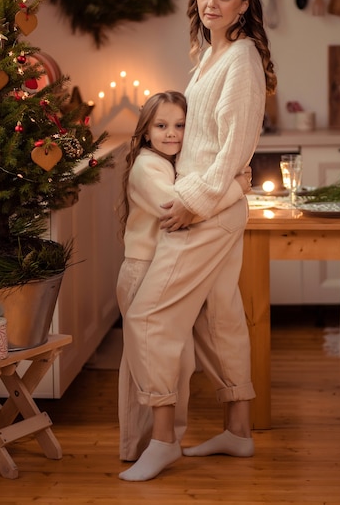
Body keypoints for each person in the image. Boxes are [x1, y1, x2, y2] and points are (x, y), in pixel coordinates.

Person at [119, 0, 277, 482]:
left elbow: (235, 145)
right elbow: (212, 146)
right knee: (219, 317)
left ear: (245, 4)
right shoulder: (210, 57)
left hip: (204, 210)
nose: (212, 3)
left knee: (147, 318)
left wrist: (200, 198)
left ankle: (163, 440)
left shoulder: (241, 59)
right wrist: (228, 188)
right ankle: (239, 431)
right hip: (215, 203)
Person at [117, 90, 251, 463]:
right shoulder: (147, 167)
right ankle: (137, 446)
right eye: (161, 126)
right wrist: (236, 187)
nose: (172, 133)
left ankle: (167, 440)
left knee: (176, 360)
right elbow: (179, 209)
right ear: (146, 132)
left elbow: (196, 202)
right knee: (140, 358)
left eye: (180, 125)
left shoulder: (178, 164)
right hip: (142, 269)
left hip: (169, 265)